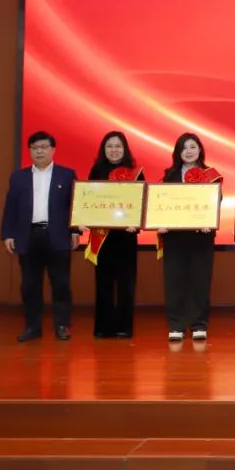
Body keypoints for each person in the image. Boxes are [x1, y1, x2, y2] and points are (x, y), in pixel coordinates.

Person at [0, 131, 79, 342]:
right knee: (30, 284)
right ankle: (32, 327)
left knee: (60, 283)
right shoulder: (19, 177)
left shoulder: (67, 175)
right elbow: (11, 207)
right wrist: (8, 234)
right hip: (28, 235)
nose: (39, 151)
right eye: (35, 148)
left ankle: (62, 325)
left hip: (58, 235)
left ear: (53, 150)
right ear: (30, 151)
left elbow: (75, 205)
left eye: (44, 147)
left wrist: (75, 231)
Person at [159, 133, 222, 342]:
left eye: (193, 147)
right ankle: (176, 325)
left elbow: (216, 202)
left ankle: (199, 324)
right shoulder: (169, 176)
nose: (188, 151)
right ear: (178, 152)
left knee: (200, 281)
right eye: (184, 147)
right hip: (174, 238)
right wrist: (160, 222)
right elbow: (161, 204)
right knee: (174, 281)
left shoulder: (211, 175)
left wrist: (208, 220)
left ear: (200, 150)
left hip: (201, 238)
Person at [86, 131, 143, 339]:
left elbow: (141, 203)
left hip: (126, 236)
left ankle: (124, 327)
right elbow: (88, 200)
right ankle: (103, 327)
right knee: (103, 283)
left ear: (125, 149)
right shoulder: (96, 171)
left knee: (126, 284)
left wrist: (136, 223)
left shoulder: (136, 173)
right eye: (109, 146)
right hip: (103, 236)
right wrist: (85, 218)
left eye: (118, 146)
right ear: (104, 150)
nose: (114, 150)